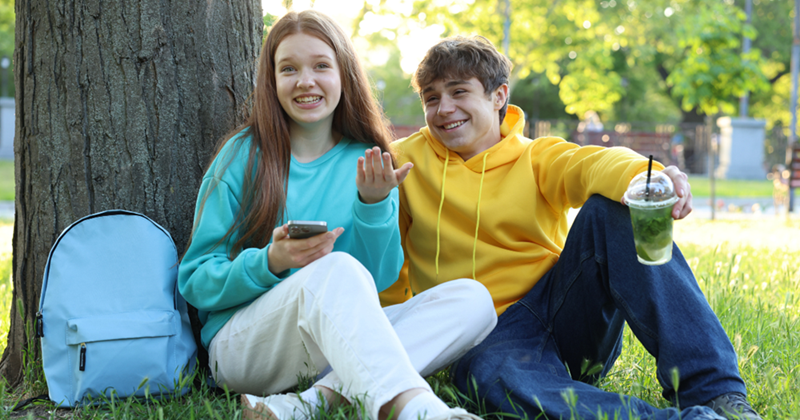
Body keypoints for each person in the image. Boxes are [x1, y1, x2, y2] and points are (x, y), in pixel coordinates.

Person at [379, 35, 762, 420]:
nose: (444, 109)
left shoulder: (536, 156)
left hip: (562, 314)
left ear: (499, 97)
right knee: (486, 378)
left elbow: (592, 165)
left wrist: (652, 178)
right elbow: (386, 256)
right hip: (485, 339)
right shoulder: (405, 162)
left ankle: (716, 392)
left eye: (458, 92)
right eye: (431, 98)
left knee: (612, 209)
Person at [179, 13, 496, 420]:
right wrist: (270, 262)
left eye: (321, 66)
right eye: (288, 68)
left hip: (333, 343)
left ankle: (307, 404)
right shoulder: (243, 156)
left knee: (474, 301)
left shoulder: (368, 160)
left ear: (343, 74)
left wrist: (374, 203)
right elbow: (195, 281)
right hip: (243, 347)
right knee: (335, 269)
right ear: (271, 81)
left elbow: (378, 279)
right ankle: (418, 411)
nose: (305, 81)